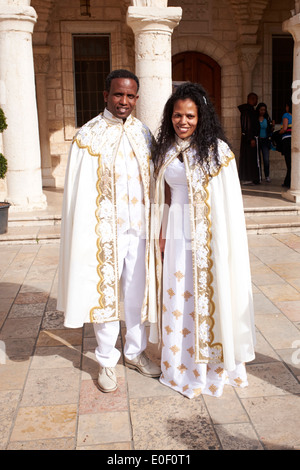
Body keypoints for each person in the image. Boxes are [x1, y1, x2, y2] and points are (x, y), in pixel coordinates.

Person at [57, 69, 160, 393]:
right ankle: (105, 360)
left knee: (135, 295)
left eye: (130, 96)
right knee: (105, 296)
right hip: (104, 234)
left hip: (139, 232)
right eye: (118, 94)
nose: (124, 101)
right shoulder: (88, 137)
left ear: (137, 99)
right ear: (106, 96)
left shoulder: (144, 135)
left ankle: (134, 352)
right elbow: (78, 194)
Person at [151, 82, 255, 398]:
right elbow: (164, 196)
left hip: (209, 238)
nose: (183, 122)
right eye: (178, 115)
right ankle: (181, 365)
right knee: (178, 296)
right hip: (177, 234)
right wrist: (162, 233)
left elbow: (227, 204)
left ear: (202, 117)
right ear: (170, 116)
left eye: (191, 116)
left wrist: (219, 243)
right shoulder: (166, 150)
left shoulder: (218, 153)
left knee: (208, 296)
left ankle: (211, 366)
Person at [238, 92, 261, 184]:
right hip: (248, 139)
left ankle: (253, 178)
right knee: (248, 158)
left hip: (252, 138)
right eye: (255, 99)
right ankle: (247, 178)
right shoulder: (246, 111)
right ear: (250, 99)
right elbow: (247, 125)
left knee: (252, 158)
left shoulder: (251, 110)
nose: (256, 101)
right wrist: (250, 138)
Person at [256, 102, 273, 183]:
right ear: (258, 110)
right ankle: (258, 176)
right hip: (258, 140)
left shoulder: (267, 119)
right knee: (258, 159)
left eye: (264, 110)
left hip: (265, 141)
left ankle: (267, 176)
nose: (263, 111)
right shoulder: (255, 119)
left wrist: (272, 126)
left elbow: (270, 130)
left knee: (266, 159)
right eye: (261, 110)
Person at [279, 100, 292, 189]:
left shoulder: (286, 115)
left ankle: (288, 182)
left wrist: (278, 133)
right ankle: (288, 181)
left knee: (288, 162)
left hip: (287, 140)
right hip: (295, 140)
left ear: (288, 106)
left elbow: (285, 128)